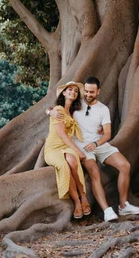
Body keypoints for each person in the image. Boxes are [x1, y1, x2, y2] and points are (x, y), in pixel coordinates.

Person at [52, 76, 139, 222]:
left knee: (125, 166)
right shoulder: (76, 104)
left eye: (92, 92)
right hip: (82, 146)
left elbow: (107, 134)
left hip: (99, 144)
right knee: (94, 172)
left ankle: (123, 205)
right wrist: (48, 111)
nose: (88, 94)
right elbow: (58, 109)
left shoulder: (103, 109)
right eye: (87, 91)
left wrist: (96, 143)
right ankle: (107, 210)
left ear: (98, 91)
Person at [44, 81, 91, 219]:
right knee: (64, 166)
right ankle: (77, 202)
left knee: (73, 161)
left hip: (65, 147)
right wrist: (79, 151)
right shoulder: (57, 110)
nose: (73, 92)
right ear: (64, 93)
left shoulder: (71, 113)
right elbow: (62, 135)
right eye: (70, 90)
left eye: (76, 91)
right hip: (53, 148)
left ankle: (84, 196)